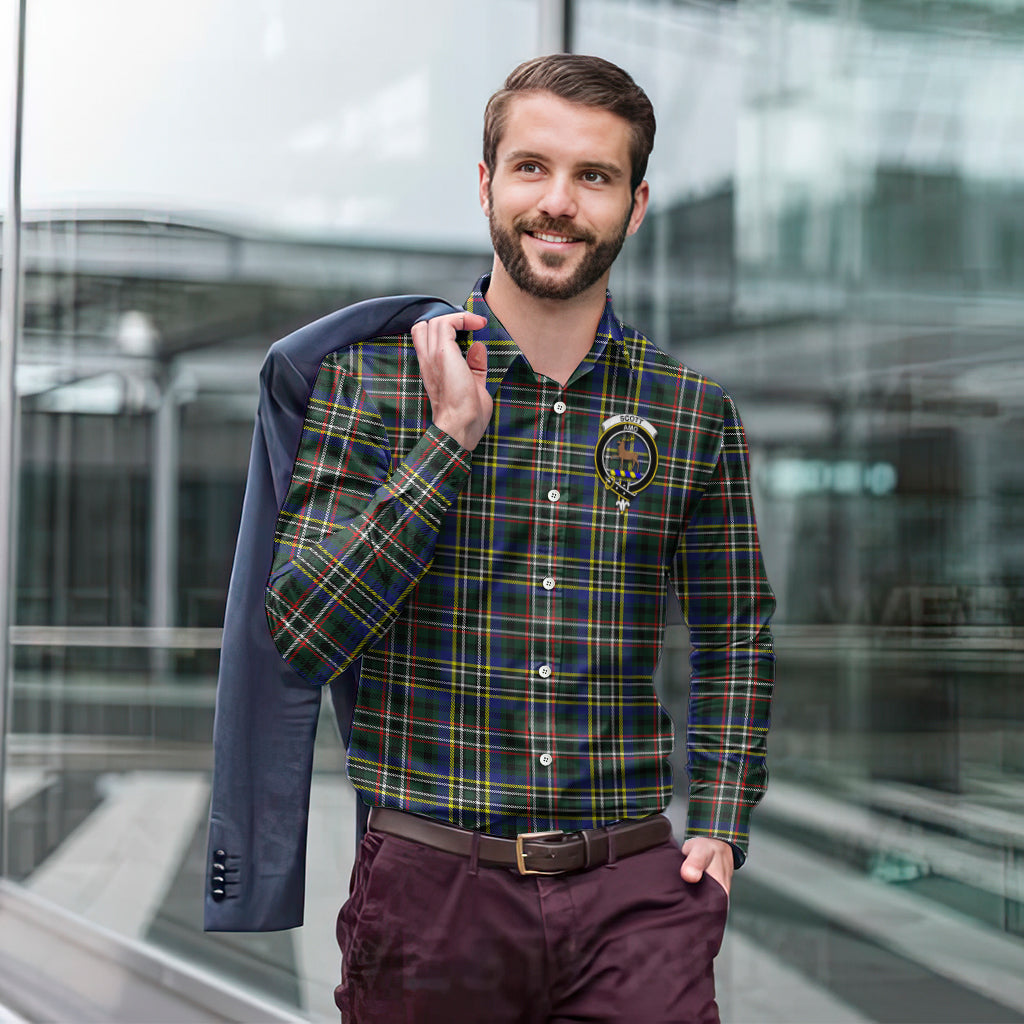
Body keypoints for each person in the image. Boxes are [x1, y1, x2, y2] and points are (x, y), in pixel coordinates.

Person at [265, 53, 775, 1024]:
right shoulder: (370, 386)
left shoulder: (691, 413)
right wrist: (448, 439)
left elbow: (734, 628)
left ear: (636, 202)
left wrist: (718, 818)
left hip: (634, 895)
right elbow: (302, 629)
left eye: (595, 176)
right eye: (533, 167)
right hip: (432, 894)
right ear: (487, 182)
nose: (559, 202)